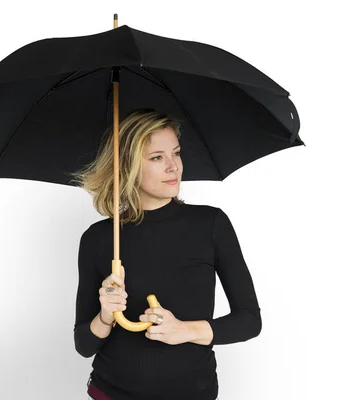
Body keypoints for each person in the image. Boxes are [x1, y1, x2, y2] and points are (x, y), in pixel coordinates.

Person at [69, 108, 262, 400]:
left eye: (177, 153)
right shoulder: (98, 238)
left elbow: (249, 320)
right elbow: (83, 344)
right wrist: (106, 315)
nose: (174, 166)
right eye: (157, 157)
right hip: (111, 392)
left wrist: (184, 330)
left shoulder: (210, 224)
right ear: (128, 166)